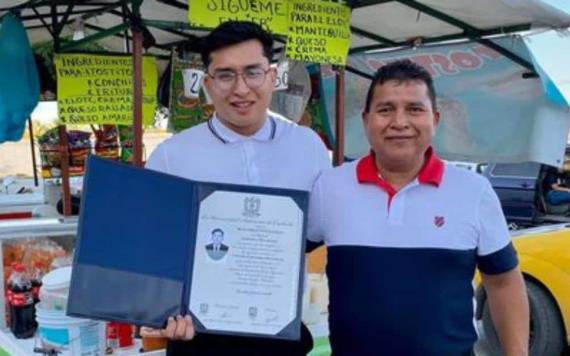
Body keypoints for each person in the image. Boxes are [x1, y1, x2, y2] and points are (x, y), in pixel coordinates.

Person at [308, 59, 529, 356]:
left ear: (435, 119)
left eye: (415, 109)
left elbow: (503, 282)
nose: (400, 122)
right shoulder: (329, 188)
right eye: (386, 109)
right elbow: (282, 251)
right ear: (366, 120)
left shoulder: (473, 192)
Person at [145, 21, 331, 356]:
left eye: (252, 72)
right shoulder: (172, 156)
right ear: (207, 83)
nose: (241, 89)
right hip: (197, 339)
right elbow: (153, 250)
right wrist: (158, 308)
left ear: (273, 77)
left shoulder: (308, 147)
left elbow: (318, 232)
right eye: (226, 75)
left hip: (281, 334)